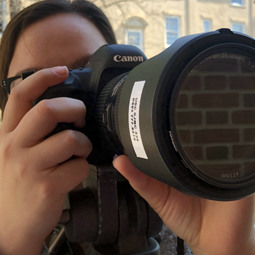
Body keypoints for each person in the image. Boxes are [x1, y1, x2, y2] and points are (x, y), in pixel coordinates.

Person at [0, 0, 254, 254]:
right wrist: (12, 241)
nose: (63, 106)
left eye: (85, 72)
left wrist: (223, 247)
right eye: (37, 84)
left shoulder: (179, 193)